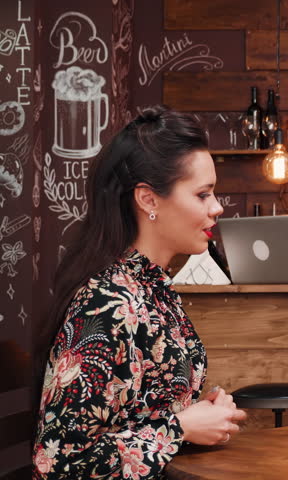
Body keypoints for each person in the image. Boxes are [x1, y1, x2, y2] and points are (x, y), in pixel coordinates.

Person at [32, 106, 246, 478]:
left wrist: (201, 418)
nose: (217, 207)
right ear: (148, 200)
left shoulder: (152, 287)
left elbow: (139, 417)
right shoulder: (107, 305)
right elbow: (59, 465)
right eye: (202, 194)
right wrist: (180, 428)